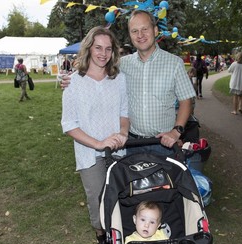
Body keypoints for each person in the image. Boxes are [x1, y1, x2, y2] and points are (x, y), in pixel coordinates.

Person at [61, 10, 195, 155]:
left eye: (145, 29)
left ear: (155, 31)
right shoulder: (122, 64)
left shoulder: (174, 63)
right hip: (131, 144)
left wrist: (176, 132)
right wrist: (72, 80)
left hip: (163, 143)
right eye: (134, 31)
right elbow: (95, 69)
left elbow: (186, 100)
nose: (140, 35)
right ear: (130, 35)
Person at [61, 26, 129, 244]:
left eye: (108, 49)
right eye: (98, 47)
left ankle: (120, 234)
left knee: (119, 195)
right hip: (89, 152)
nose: (103, 53)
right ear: (89, 47)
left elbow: (124, 112)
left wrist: (122, 132)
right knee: (97, 198)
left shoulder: (118, 78)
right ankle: (102, 237)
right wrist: (99, 143)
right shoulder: (73, 83)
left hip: (118, 150)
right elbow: (69, 125)